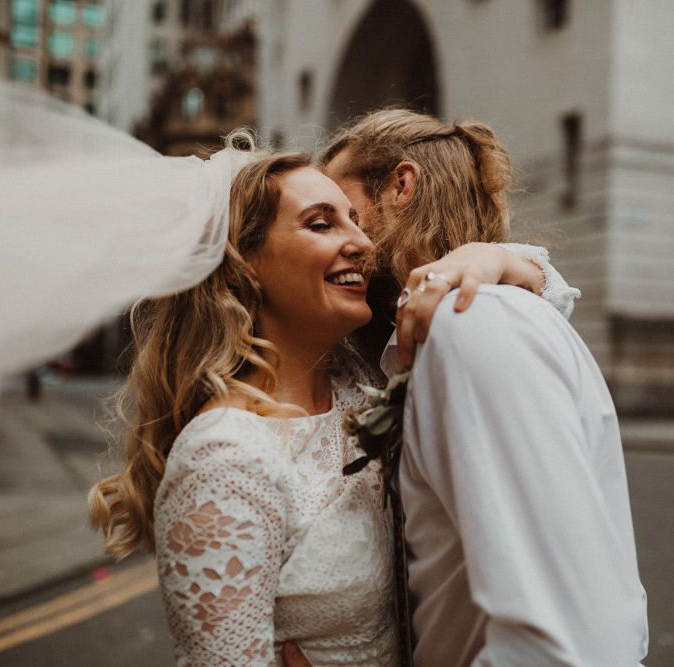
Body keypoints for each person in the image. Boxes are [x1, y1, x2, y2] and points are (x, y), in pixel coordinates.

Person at [88, 137, 577, 665]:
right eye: (321, 224)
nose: (364, 244)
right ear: (241, 265)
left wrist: (490, 257)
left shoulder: (358, 377)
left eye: (355, 220)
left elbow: (533, 322)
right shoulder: (224, 458)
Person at [320, 109, 648, 665]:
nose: (342, 239)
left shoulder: (472, 320)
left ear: (401, 185)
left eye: (344, 211)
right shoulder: (437, 330)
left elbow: (565, 647)